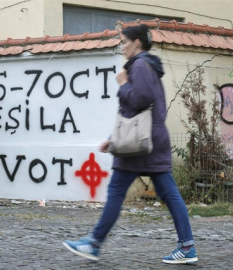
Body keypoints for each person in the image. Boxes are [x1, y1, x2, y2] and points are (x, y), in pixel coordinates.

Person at [62, 24, 198, 265]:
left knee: (116, 191)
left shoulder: (140, 65)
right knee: (169, 193)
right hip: (150, 139)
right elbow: (141, 110)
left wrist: (123, 83)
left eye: (124, 41)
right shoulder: (147, 65)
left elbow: (139, 100)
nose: (121, 46)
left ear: (136, 43)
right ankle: (187, 246)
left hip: (140, 143)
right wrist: (113, 139)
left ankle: (94, 243)